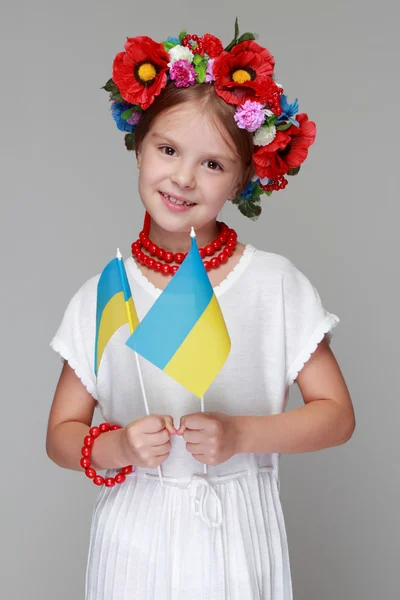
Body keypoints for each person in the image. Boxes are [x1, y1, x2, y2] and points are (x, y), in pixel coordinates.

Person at [46, 22, 355, 600]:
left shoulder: (274, 284)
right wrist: (117, 447)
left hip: (235, 529)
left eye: (213, 164)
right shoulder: (103, 292)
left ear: (245, 178)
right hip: (133, 534)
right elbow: (62, 434)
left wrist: (240, 433)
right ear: (139, 146)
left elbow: (336, 416)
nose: (184, 177)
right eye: (168, 150)